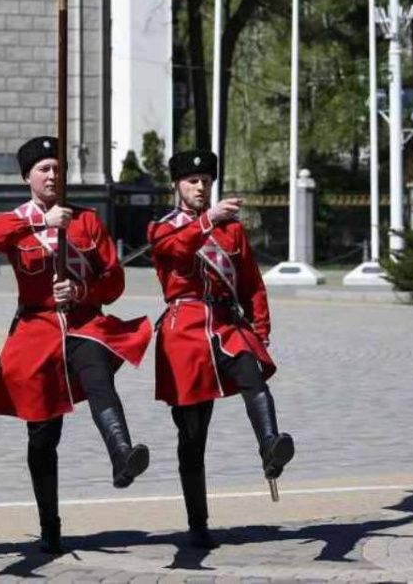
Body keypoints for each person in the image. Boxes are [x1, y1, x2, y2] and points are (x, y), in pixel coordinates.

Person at [0, 136, 151, 554]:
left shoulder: (87, 221)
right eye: (44, 169)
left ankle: (122, 454)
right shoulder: (16, 220)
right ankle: (48, 522)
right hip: (37, 331)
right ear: (27, 177)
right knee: (42, 435)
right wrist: (40, 223)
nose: (53, 175)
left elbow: (115, 280)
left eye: (58, 168)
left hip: (83, 322)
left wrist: (82, 287)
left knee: (97, 374)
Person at [147, 150, 295, 549]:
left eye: (206, 181)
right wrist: (207, 220)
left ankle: (270, 446)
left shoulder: (231, 231)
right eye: (192, 180)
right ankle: (198, 522)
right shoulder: (161, 227)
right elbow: (177, 251)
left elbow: (250, 282)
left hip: (227, 325)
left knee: (252, 375)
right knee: (192, 436)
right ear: (177, 185)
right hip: (186, 334)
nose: (200, 187)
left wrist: (260, 331)